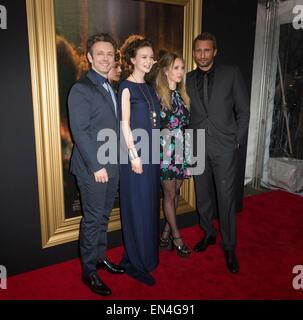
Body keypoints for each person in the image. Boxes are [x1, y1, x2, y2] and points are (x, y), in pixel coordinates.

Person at [186, 32, 250, 273]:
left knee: (225, 197)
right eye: (198, 50)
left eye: (206, 50)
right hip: (197, 144)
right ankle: (209, 233)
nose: (202, 55)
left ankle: (230, 246)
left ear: (215, 52)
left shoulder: (231, 73)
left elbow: (244, 110)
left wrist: (236, 141)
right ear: (193, 53)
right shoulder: (188, 78)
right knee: (202, 195)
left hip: (224, 147)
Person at [68, 33, 125, 296]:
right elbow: (80, 132)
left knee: (103, 217)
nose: (106, 58)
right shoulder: (82, 89)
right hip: (95, 169)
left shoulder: (109, 87)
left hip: (111, 166)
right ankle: (89, 270)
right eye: (100, 53)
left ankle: (99, 258)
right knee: (92, 219)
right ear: (90, 57)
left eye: (110, 54)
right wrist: (97, 167)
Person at [118, 35, 160, 286]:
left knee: (149, 206)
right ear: (132, 59)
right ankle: (135, 261)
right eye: (143, 57)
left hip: (152, 156)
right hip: (136, 157)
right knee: (138, 207)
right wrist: (134, 156)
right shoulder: (126, 87)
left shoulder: (149, 86)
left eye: (150, 57)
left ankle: (148, 256)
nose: (148, 61)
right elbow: (124, 124)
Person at [155, 52, 191, 257]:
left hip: (182, 149)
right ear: (166, 70)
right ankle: (177, 236)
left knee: (176, 192)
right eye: (176, 68)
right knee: (169, 194)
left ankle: (165, 233)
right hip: (165, 151)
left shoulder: (181, 94)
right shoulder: (158, 95)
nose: (180, 72)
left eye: (182, 68)